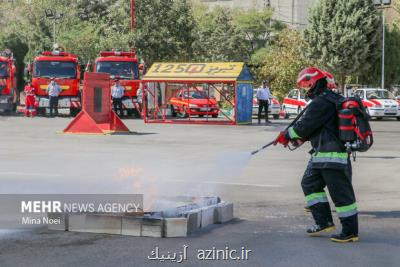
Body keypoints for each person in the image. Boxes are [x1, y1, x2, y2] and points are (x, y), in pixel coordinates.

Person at [274, 67, 358, 243]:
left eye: (307, 85)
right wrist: (296, 137)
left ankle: (350, 232)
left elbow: (304, 126)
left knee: (341, 194)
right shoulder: (327, 99)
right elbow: (317, 127)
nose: (306, 90)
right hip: (322, 154)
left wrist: (287, 135)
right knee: (309, 183)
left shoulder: (322, 102)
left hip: (332, 155)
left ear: (314, 83)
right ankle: (323, 221)